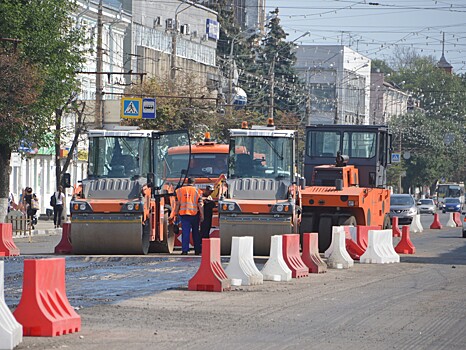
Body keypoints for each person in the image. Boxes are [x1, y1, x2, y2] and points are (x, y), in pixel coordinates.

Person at [174, 177, 204, 255]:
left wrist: (175, 213)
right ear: (194, 183)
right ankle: (197, 250)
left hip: (184, 215)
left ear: (187, 182)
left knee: (185, 232)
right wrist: (202, 215)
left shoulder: (179, 191)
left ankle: (185, 250)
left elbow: (177, 204)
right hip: (194, 214)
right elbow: (200, 204)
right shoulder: (198, 191)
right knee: (196, 232)